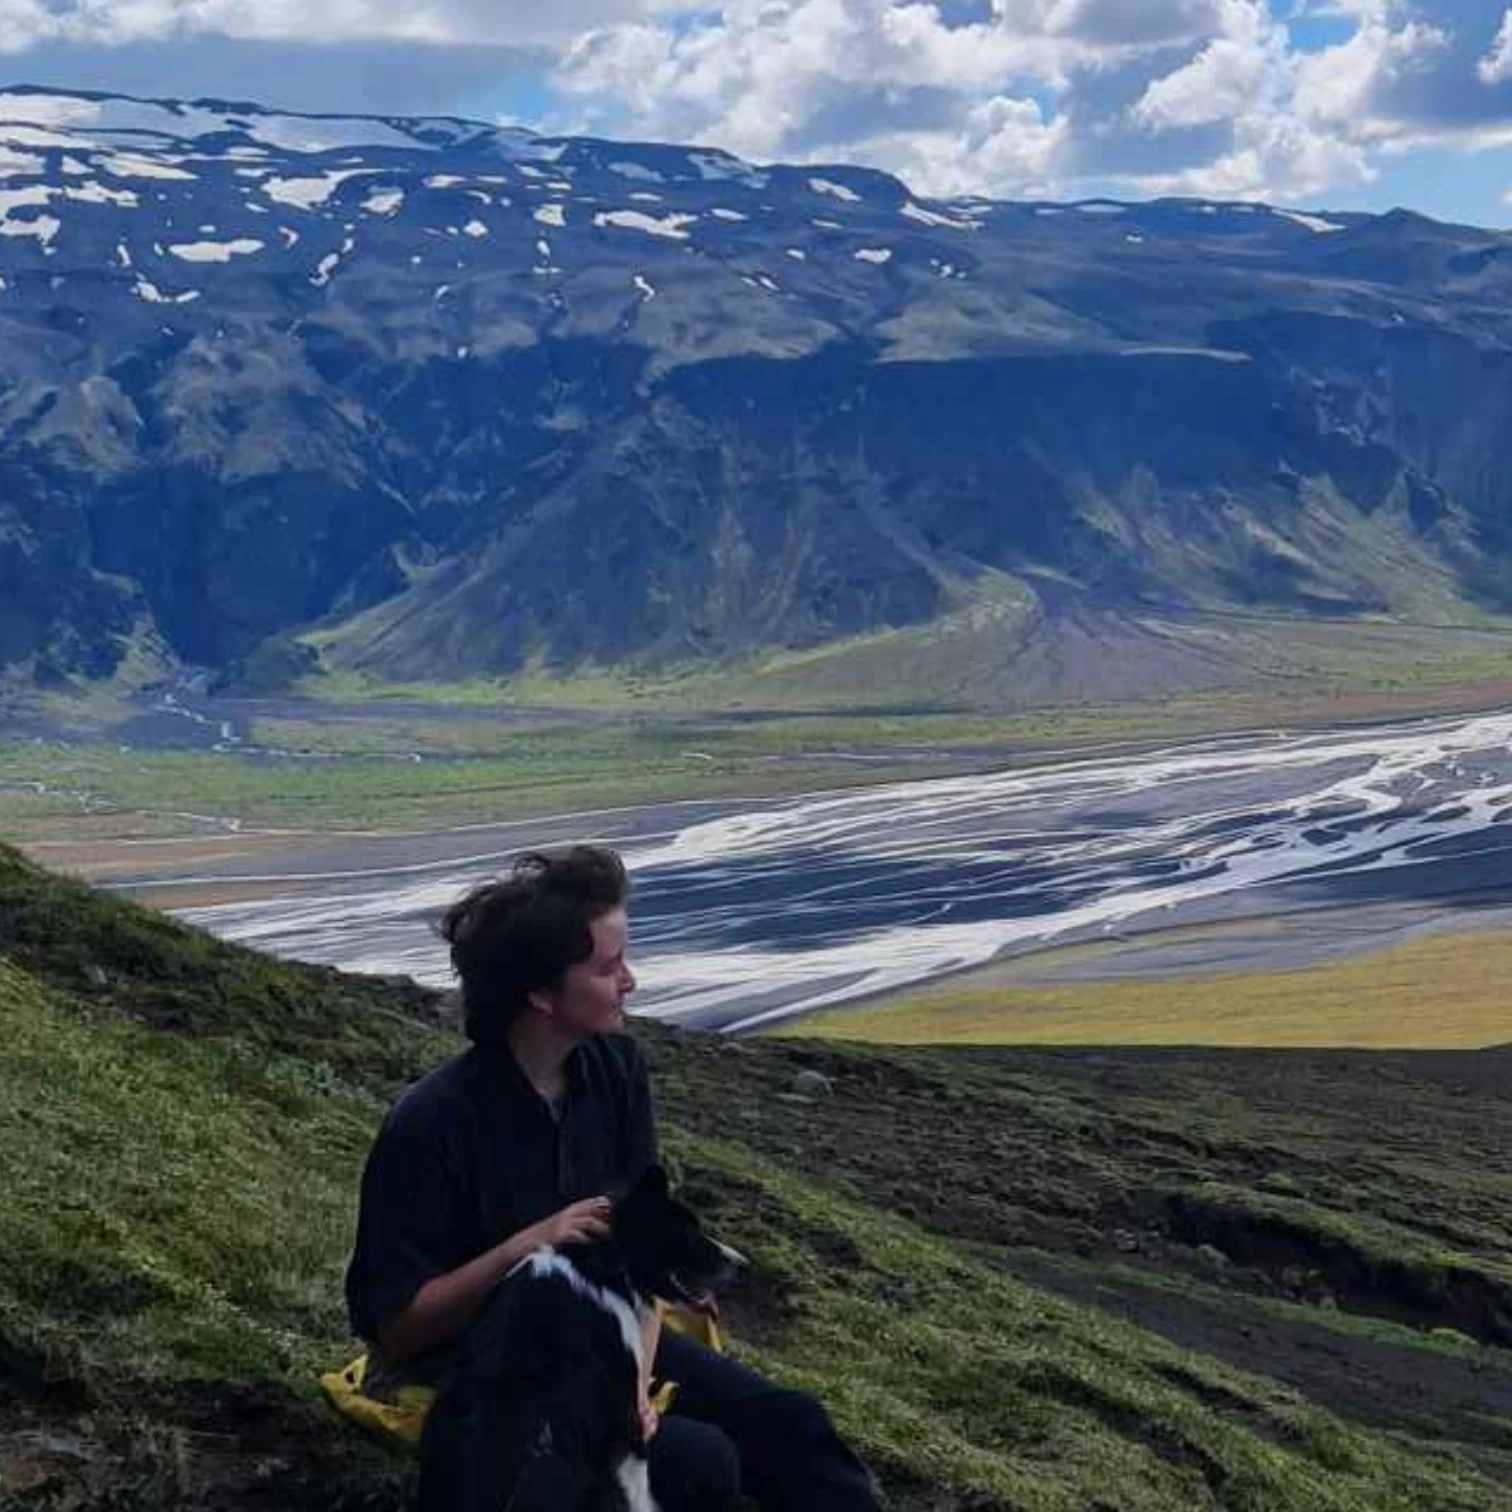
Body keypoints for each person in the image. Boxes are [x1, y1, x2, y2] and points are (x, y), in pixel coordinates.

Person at [344, 843, 881, 1512]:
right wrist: (527, 1246)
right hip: (484, 1370)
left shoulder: (616, 1069)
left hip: (606, 1337)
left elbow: (642, 1254)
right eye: (607, 967)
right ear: (539, 993)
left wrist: (630, 1383)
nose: (629, 980)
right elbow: (400, 1329)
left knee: (792, 1425)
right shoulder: (431, 1124)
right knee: (698, 1462)